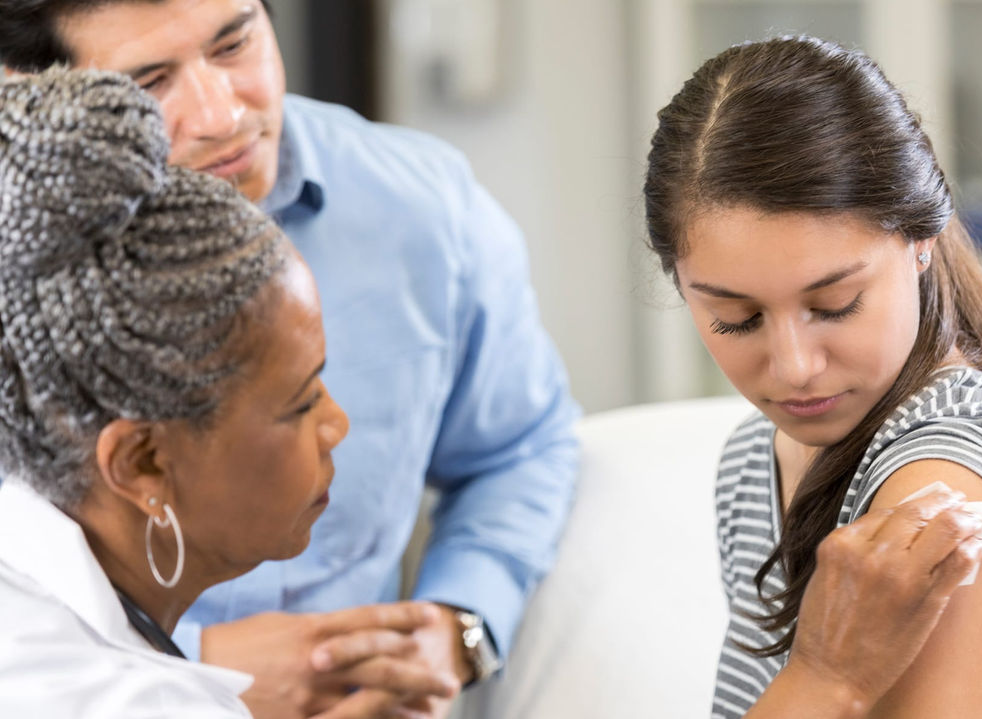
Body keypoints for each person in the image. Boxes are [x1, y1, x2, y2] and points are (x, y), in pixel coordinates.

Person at [0, 2, 580, 717]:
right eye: (149, 80)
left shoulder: (422, 207)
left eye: (235, 42)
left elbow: (521, 445)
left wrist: (457, 624)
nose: (220, 114)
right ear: (23, 89)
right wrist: (190, 666)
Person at [643, 36, 982, 718]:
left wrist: (827, 678)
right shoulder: (749, 459)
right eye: (736, 317)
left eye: (834, 305)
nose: (793, 366)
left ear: (921, 241)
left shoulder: (945, 488)